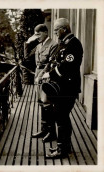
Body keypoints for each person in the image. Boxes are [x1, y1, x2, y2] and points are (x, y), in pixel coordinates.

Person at [41, 18, 83, 158]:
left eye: (55, 30)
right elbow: (55, 60)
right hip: (62, 88)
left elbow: (67, 66)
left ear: (63, 29)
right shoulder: (64, 43)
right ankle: (63, 147)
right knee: (62, 117)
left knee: (62, 117)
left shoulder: (74, 44)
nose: (54, 33)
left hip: (68, 88)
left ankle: (62, 150)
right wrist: (47, 71)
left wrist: (50, 73)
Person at [28, 24, 58, 142]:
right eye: (35, 34)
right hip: (38, 75)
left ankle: (51, 132)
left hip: (46, 77)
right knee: (41, 102)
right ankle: (44, 129)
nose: (37, 37)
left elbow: (51, 64)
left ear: (46, 32)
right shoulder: (39, 45)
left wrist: (40, 76)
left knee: (47, 103)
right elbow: (27, 57)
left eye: (38, 34)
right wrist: (27, 43)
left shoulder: (53, 45)